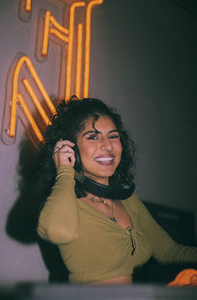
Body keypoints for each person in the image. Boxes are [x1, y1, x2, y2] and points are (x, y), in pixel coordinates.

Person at [37, 96, 197, 285]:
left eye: (113, 136)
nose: (108, 146)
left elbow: (170, 252)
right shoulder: (65, 201)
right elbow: (59, 232)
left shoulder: (128, 201)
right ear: (71, 148)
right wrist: (64, 171)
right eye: (93, 137)